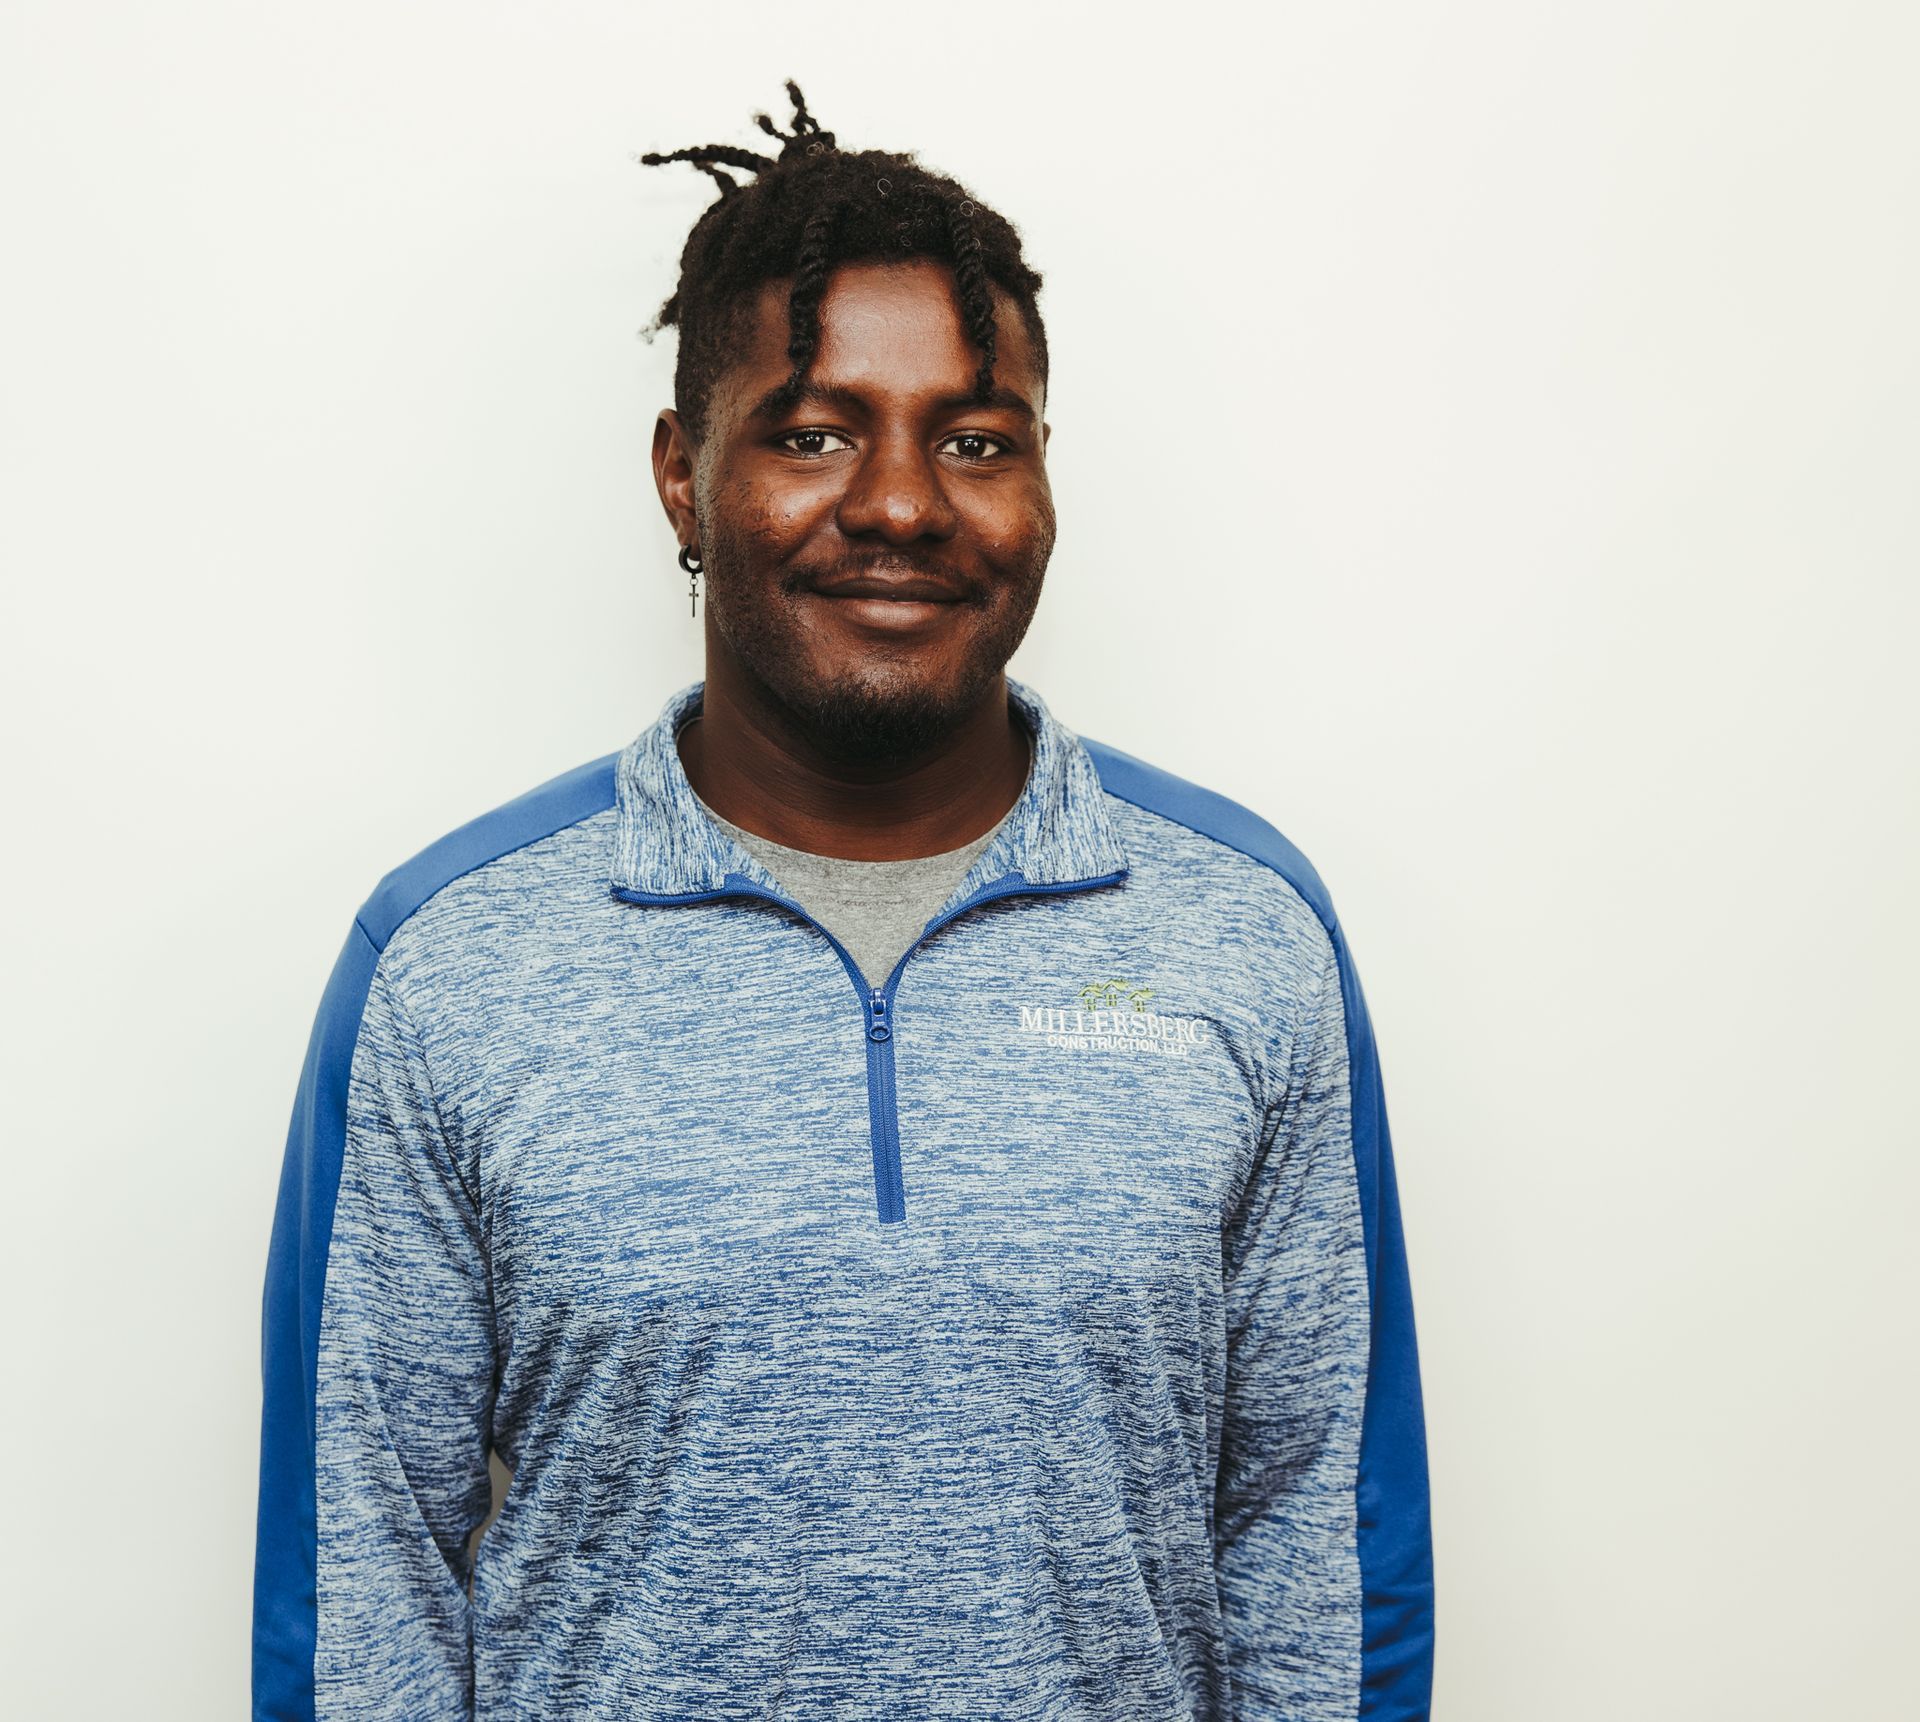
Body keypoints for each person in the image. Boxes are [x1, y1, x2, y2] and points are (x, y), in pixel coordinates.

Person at [251, 79, 1435, 1721]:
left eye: (975, 438)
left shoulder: (1244, 936)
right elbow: (357, 1580)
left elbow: (1320, 1540)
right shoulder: (450, 963)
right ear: (683, 476)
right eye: (812, 432)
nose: (898, 502)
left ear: (1039, 486)